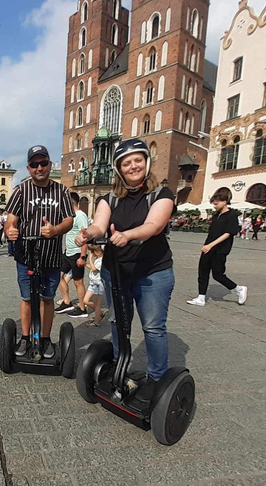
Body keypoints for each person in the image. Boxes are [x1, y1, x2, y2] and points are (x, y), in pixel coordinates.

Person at [74, 139, 175, 401]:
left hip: (153, 272)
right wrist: (88, 234)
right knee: (119, 322)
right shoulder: (110, 199)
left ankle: (156, 379)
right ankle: (121, 368)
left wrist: (128, 235)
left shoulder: (161, 195)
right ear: (119, 168)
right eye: (126, 163)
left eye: (138, 160)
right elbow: (99, 224)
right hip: (116, 271)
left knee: (152, 328)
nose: (133, 166)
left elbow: (154, 225)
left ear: (146, 162)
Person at [5, 145, 75, 359]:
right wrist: (11, 230)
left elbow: (69, 220)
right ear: (28, 168)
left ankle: (45, 339)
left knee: (47, 298)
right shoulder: (21, 190)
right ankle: (25, 338)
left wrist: (56, 230)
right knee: (27, 298)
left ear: (49, 164)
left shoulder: (61, 191)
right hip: (26, 254)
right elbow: (11, 219)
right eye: (34, 164)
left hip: (51, 255)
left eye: (43, 163)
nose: (39, 168)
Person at [187, 187, 246, 307]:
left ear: (225, 201)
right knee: (202, 272)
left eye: (216, 203)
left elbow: (228, 233)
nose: (214, 206)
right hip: (208, 248)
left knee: (218, 275)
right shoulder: (216, 215)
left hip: (220, 250)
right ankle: (201, 298)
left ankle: (239, 289)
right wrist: (207, 245)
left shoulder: (232, 215)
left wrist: (211, 245)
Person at [56, 192, 89, 318]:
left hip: (77, 253)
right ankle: (67, 302)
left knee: (78, 282)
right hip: (68, 252)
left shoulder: (80, 216)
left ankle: (82, 309)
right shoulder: (70, 216)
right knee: (57, 275)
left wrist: (83, 256)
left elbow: (85, 237)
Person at [83, 244, 105, 328]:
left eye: (94, 251)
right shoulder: (97, 259)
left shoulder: (102, 260)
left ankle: (97, 321)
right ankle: (99, 313)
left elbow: (94, 269)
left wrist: (90, 259)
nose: (92, 253)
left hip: (98, 284)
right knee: (85, 300)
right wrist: (85, 264)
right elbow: (92, 268)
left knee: (97, 303)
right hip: (93, 283)